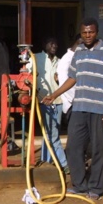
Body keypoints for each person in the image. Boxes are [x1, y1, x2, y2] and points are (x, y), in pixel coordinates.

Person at [41, 18, 103, 201]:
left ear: (97, 32)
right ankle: (79, 185)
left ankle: (95, 188)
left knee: (99, 149)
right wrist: (54, 94)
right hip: (79, 107)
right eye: (84, 32)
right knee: (73, 147)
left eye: (90, 32)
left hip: (101, 108)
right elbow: (72, 78)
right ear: (80, 33)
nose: (87, 35)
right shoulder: (79, 52)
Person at [34, 37, 68, 174]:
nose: (54, 45)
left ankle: (47, 158)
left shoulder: (60, 62)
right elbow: (27, 76)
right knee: (52, 134)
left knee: (50, 133)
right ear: (44, 44)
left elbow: (66, 81)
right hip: (44, 101)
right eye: (51, 42)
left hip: (58, 101)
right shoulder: (36, 58)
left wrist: (59, 79)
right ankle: (64, 164)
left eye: (56, 43)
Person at [57, 34, 82, 122]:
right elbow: (64, 81)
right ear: (79, 42)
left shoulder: (76, 57)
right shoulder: (67, 59)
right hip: (72, 104)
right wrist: (75, 99)